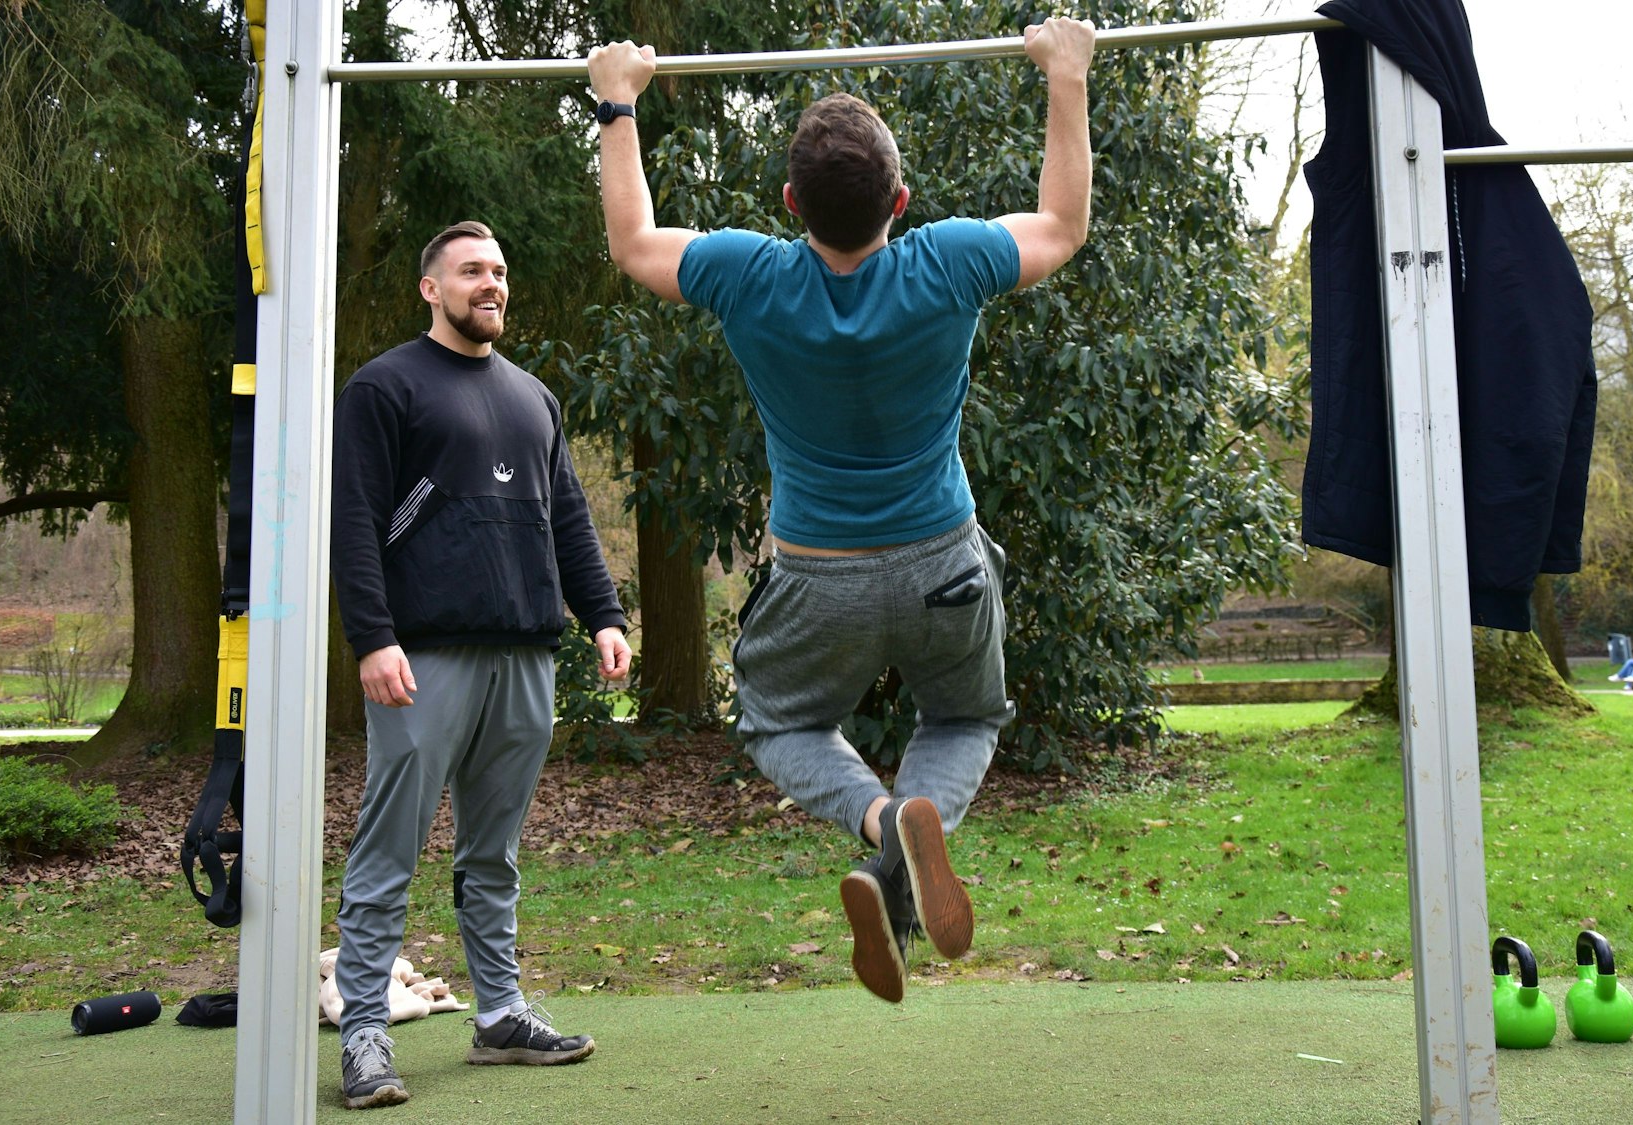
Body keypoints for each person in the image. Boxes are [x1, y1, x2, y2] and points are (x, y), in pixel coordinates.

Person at [587, 16, 1095, 1002]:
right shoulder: (945, 261)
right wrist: (1063, 77)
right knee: (961, 714)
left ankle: (877, 827)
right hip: (942, 557)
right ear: (899, 201)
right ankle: (911, 828)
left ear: (787, 203)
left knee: (779, 728)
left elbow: (631, 240)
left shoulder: (748, 274)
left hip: (818, 573)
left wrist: (616, 102)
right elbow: (1061, 226)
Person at [329, 220, 634, 1108]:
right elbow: (354, 520)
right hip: (421, 657)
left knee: (492, 851)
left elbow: (568, 517)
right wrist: (371, 636)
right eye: (470, 271)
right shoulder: (384, 387)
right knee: (389, 847)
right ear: (432, 288)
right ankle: (364, 1035)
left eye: (499, 270)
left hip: (524, 655)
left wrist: (604, 616)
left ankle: (499, 1015)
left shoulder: (535, 398)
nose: (489, 284)